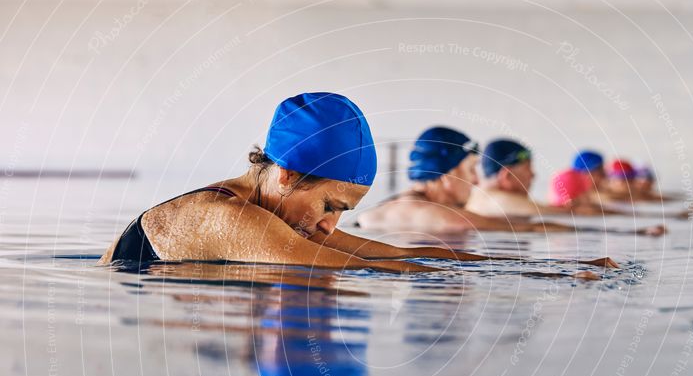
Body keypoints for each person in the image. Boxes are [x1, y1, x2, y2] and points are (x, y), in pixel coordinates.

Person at [99, 92, 488, 274]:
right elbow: (364, 267)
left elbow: (393, 255)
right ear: (287, 175)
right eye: (329, 206)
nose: (328, 225)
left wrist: (506, 265)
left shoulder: (277, 216)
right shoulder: (223, 216)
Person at [356, 127, 626, 261]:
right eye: (470, 170)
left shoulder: (380, 210)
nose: (476, 180)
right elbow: (526, 230)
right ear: (447, 173)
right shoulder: (448, 219)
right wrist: (571, 268)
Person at [466, 139, 664, 235]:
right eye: (528, 169)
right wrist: (633, 232)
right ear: (507, 175)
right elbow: (547, 221)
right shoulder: (493, 199)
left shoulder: (485, 198)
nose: (534, 175)